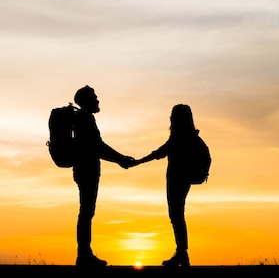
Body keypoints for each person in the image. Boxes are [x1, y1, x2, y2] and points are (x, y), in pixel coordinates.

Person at [129, 104, 200, 267]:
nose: (170, 119)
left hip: (177, 178)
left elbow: (159, 153)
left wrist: (138, 162)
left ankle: (182, 253)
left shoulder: (179, 137)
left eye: (172, 116)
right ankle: (182, 252)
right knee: (177, 215)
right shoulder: (190, 136)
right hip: (183, 178)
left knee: (176, 215)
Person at [72, 85, 134, 268]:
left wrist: (119, 159)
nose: (98, 100)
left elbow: (98, 146)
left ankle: (84, 254)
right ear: (87, 100)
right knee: (86, 212)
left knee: (87, 211)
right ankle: (84, 255)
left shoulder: (83, 118)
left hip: (84, 169)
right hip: (87, 169)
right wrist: (120, 159)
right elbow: (97, 147)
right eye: (94, 97)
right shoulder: (85, 119)